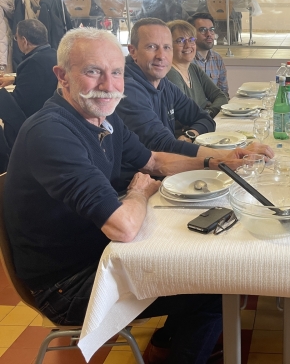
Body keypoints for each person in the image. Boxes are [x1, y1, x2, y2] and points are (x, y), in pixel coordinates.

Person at [3, 27, 273, 364]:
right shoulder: (52, 132)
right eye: (92, 71)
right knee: (216, 288)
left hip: (98, 253)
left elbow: (155, 160)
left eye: (116, 72)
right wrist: (139, 193)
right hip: (65, 285)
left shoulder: (103, 117)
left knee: (198, 253)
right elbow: (123, 227)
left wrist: (220, 162)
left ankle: (172, 337)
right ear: (62, 76)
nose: (108, 84)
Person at [115, 18, 226, 165]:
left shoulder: (163, 83)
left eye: (167, 47)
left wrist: (190, 134)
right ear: (133, 51)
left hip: (165, 168)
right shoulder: (127, 88)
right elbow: (164, 146)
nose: (161, 56)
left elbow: (205, 118)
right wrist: (226, 157)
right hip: (138, 180)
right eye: (152, 47)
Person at [166, 20, 228, 119]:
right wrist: (206, 115)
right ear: (168, 46)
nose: (188, 45)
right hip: (188, 131)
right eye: (180, 41)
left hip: (202, 124)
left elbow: (221, 96)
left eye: (191, 40)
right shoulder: (170, 74)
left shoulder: (193, 68)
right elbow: (186, 113)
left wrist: (209, 112)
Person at [0, 19, 58, 117]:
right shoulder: (54, 55)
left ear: (24, 41)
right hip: (49, 112)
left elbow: (17, 103)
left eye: (16, 38)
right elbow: (38, 81)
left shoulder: (34, 62)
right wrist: (15, 79)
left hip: (33, 118)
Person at [188, 12, 230, 97]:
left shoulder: (217, 58)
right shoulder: (187, 60)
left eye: (211, 29)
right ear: (191, 33)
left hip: (216, 107)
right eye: (202, 30)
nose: (209, 34)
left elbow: (224, 92)